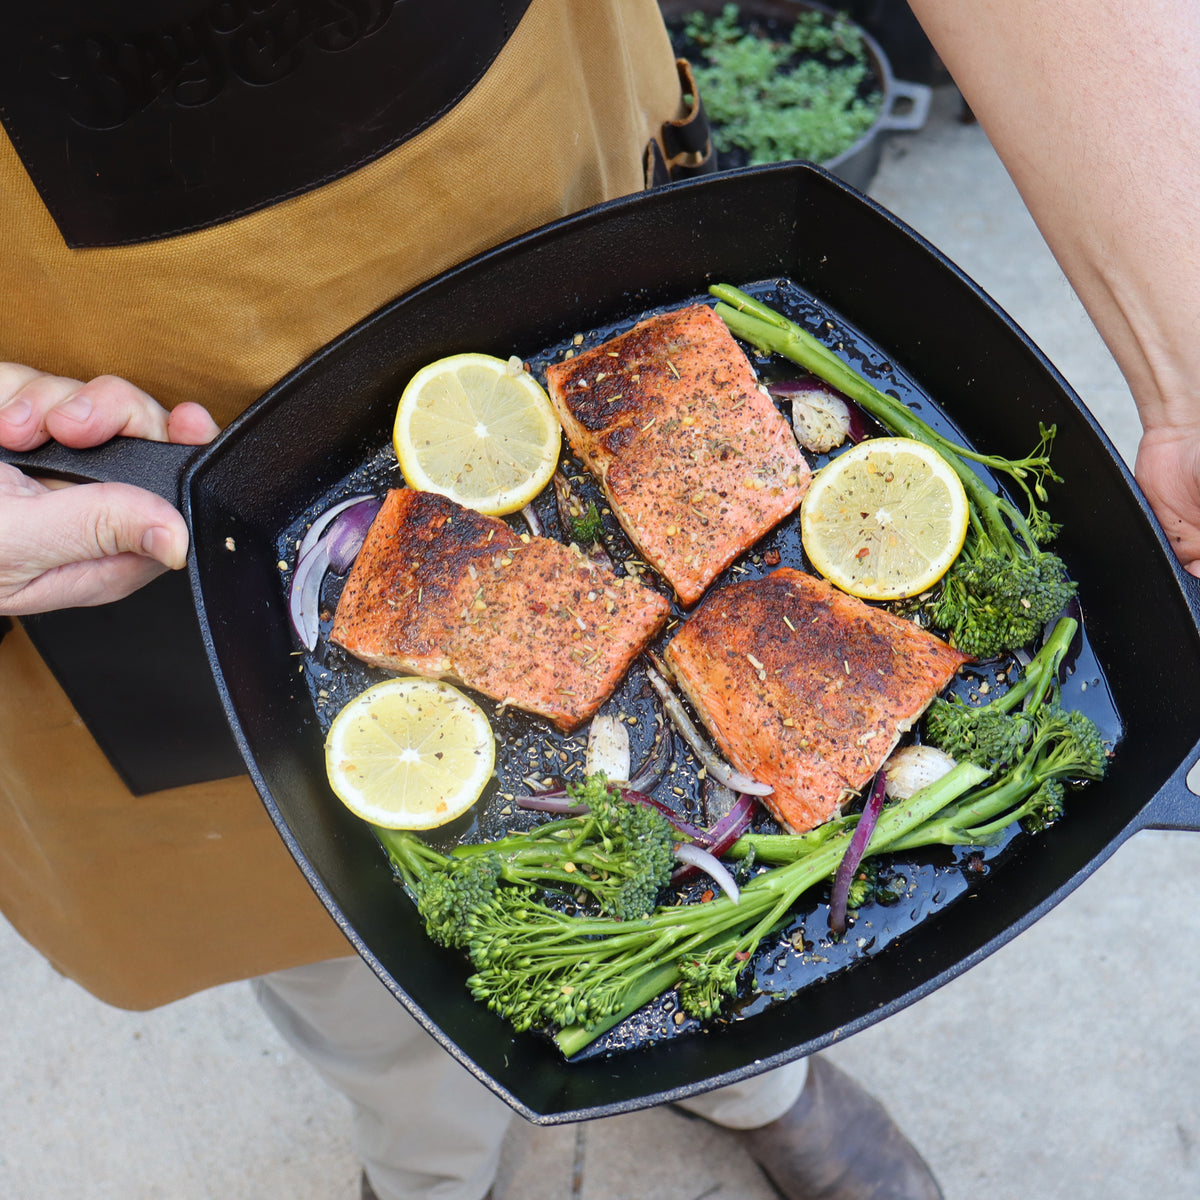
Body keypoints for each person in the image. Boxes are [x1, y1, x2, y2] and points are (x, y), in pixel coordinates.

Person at [1, 2, 1196, 1198]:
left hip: (543, 180)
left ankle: (754, 1081)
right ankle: (422, 1168)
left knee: (729, 946)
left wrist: (1189, 362)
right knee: (330, 960)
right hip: (114, 401)